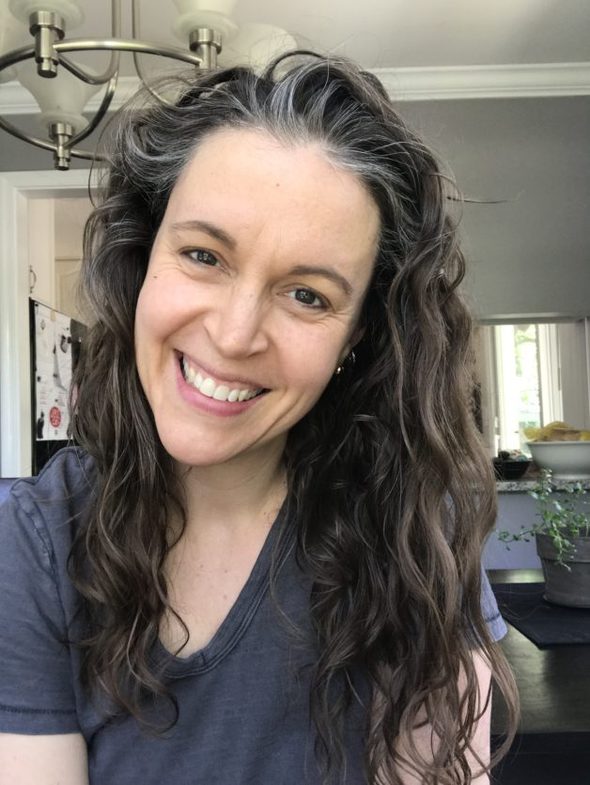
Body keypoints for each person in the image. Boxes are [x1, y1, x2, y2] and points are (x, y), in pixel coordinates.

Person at [0, 52, 518, 784]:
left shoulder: (412, 525)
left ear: (356, 338)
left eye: (307, 295)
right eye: (204, 254)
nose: (236, 334)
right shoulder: (36, 546)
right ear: (144, 256)